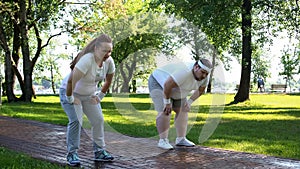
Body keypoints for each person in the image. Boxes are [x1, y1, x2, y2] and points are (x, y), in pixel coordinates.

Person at [59, 34, 115, 166]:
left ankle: (99, 152)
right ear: (96, 48)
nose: (107, 54)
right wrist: (71, 98)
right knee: (76, 121)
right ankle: (72, 153)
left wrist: (99, 96)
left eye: (110, 51)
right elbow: (71, 81)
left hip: (89, 95)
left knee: (98, 120)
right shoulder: (87, 60)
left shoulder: (109, 62)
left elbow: (108, 81)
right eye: (104, 51)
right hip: (70, 91)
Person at [148, 58, 212, 150]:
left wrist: (189, 102)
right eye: (203, 72)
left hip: (177, 87)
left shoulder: (204, 77)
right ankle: (163, 141)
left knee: (183, 110)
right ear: (196, 67)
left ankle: (181, 139)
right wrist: (167, 102)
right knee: (166, 111)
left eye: (206, 73)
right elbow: (167, 85)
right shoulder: (184, 71)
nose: (204, 75)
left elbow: (201, 90)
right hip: (159, 82)